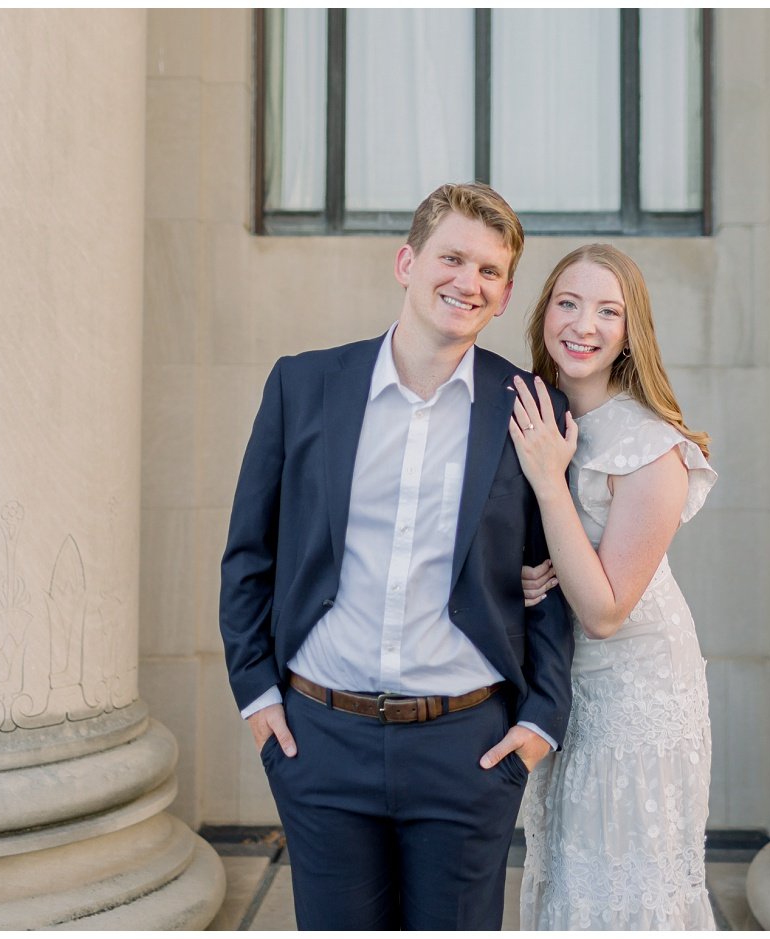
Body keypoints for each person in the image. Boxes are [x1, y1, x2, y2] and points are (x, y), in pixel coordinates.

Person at [219, 182, 574, 931]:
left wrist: (539, 723)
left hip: (468, 750)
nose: (467, 283)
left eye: (489, 271)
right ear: (407, 262)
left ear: (506, 295)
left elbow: (557, 578)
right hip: (321, 740)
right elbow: (250, 553)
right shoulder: (304, 385)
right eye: (452, 258)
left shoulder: (530, 408)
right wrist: (258, 698)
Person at [508, 244, 718, 929]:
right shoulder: (545, 415)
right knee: (570, 876)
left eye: (608, 310)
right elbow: (563, 556)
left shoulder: (651, 448)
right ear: (544, 314)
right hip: (570, 685)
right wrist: (530, 575)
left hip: (638, 694)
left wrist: (548, 481)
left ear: (631, 333)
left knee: (624, 885)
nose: (583, 324)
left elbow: (603, 609)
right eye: (568, 302)